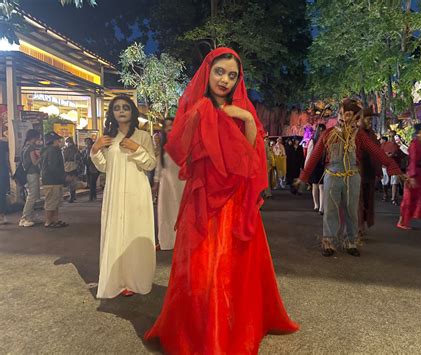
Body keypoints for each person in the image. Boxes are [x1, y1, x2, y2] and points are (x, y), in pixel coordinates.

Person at [145, 47, 298, 353]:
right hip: (203, 196)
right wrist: (206, 115)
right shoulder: (195, 107)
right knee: (202, 266)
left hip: (234, 199)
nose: (225, 80)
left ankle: (231, 325)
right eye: (220, 72)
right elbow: (178, 149)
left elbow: (250, 159)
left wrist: (246, 119)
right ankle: (201, 330)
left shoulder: (244, 108)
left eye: (232, 75)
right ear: (208, 72)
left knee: (231, 265)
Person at [295, 98, 403, 257]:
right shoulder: (328, 134)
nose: (342, 117)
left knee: (352, 211)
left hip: (352, 177)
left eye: (346, 114)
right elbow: (314, 157)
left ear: (354, 117)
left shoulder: (360, 136)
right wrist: (302, 177)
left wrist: (394, 168)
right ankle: (329, 242)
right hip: (331, 176)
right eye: (340, 114)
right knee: (330, 211)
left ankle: (350, 241)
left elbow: (377, 152)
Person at [91, 95, 156, 298]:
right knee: (115, 233)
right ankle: (115, 280)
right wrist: (96, 149)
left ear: (132, 111)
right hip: (115, 193)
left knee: (133, 234)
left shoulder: (143, 136)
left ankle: (134, 279)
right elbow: (104, 167)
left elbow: (150, 164)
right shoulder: (108, 138)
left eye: (125, 107)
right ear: (112, 113)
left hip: (137, 192)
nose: (121, 111)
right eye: (117, 108)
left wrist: (136, 149)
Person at [152, 117, 185, 250]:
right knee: (165, 211)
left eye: (172, 125)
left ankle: (182, 240)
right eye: (166, 126)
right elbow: (159, 167)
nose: (170, 128)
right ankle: (166, 240)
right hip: (166, 184)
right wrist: (156, 183)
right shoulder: (163, 147)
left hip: (181, 183)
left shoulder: (184, 143)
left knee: (180, 211)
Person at [357, 108, 382, 240]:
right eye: (368, 119)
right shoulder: (356, 134)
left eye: (371, 119)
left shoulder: (371, 135)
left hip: (369, 173)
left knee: (367, 201)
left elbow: (378, 153)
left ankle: (362, 226)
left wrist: (379, 171)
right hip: (357, 173)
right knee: (358, 202)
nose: (370, 122)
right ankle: (358, 227)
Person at [41, 132, 67, 228]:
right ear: (52, 141)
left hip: (54, 180)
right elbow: (53, 167)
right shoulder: (53, 150)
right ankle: (49, 221)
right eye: (57, 140)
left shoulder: (50, 150)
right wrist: (64, 177)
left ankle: (55, 220)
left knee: (55, 202)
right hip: (52, 180)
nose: (59, 142)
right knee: (51, 202)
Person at [19, 129, 41, 227]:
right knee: (32, 196)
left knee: (31, 195)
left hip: (27, 174)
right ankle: (25, 218)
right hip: (32, 173)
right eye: (37, 138)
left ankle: (29, 216)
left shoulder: (24, 147)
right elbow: (35, 162)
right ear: (34, 137)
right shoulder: (31, 148)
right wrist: (42, 156)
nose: (38, 140)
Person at [306, 124, 326, 213]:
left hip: (323, 165)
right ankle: (316, 204)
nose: (322, 132)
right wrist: (306, 168)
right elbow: (308, 156)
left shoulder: (327, 141)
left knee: (322, 186)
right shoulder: (313, 141)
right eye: (320, 130)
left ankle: (321, 207)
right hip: (314, 166)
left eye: (323, 130)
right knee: (315, 186)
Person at [381, 130, 403, 204]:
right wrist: (385, 155)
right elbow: (379, 153)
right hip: (385, 165)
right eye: (390, 136)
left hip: (395, 165)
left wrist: (395, 155)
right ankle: (385, 194)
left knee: (394, 182)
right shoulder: (384, 145)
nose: (391, 138)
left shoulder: (399, 145)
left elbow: (402, 155)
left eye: (393, 136)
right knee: (385, 182)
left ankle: (393, 198)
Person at [63, 137, 81, 203]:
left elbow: (78, 157)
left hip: (72, 165)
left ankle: (72, 196)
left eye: (69, 141)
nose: (68, 143)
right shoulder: (66, 149)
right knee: (71, 182)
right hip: (68, 166)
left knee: (72, 182)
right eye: (67, 141)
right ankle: (72, 195)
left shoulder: (74, 149)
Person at [0, 135, 10, 225]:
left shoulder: (4, 143)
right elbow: (7, 159)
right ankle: (2, 216)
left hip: (3, 171)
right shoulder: (4, 144)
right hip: (2, 171)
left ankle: (2, 215)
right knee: (2, 194)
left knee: (2, 193)